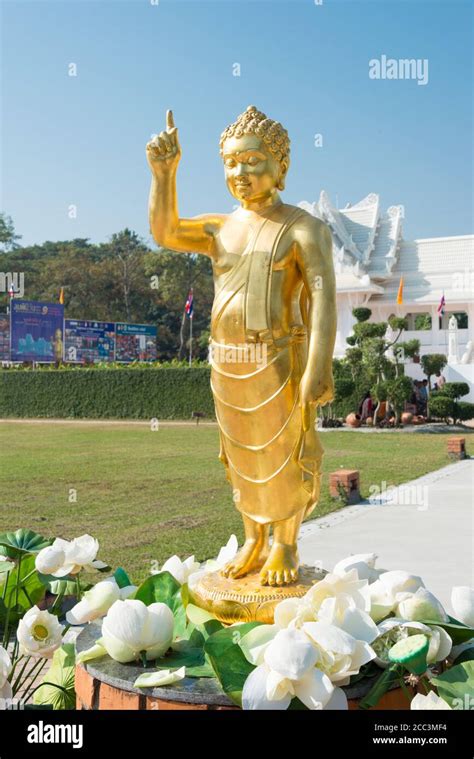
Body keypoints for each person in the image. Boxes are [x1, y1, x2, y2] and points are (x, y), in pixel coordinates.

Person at [146, 106, 336, 587]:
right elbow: (165, 231)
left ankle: (285, 542)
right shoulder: (219, 227)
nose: (241, 174)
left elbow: (323, 299)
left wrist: (319, 366)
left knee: (284, 451)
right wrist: (164, 175)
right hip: (227, 361)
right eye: (231, 163)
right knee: (240, 455)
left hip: (278, 357)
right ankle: (253, 537)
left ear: (281, 167)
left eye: (252, 161)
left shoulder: (303, 227)